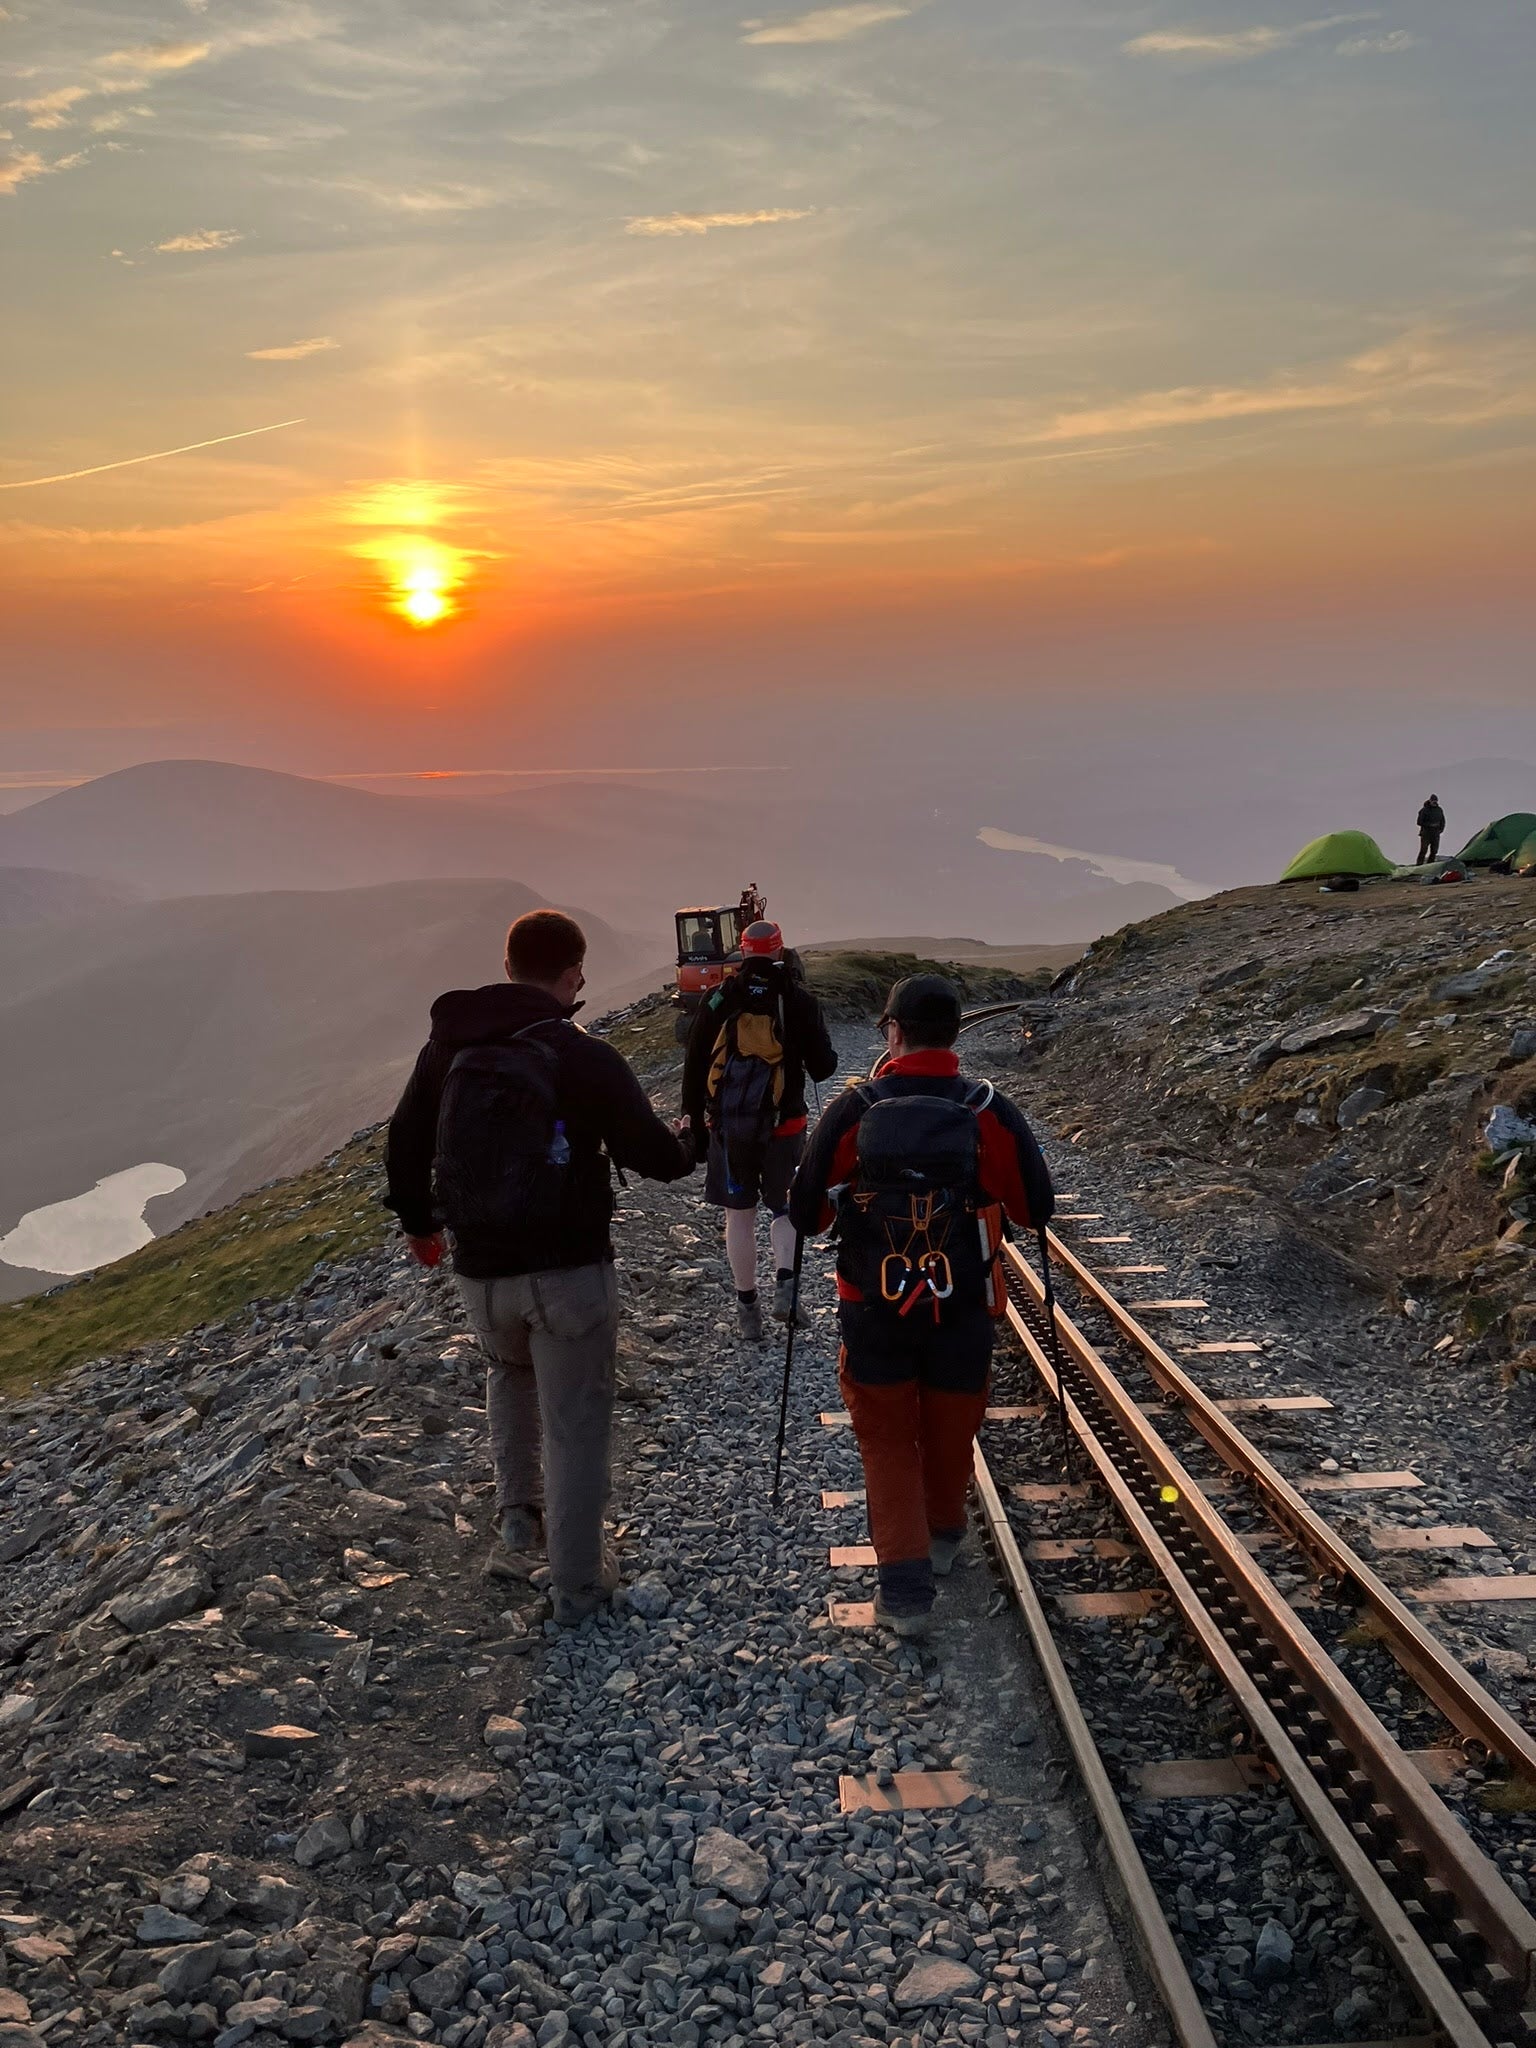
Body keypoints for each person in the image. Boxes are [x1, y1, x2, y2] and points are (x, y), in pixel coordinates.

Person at [385, 908, 695, 1625]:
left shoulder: (449, 1046)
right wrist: (690, 1144)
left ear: (507, 966)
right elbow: (654, 1157)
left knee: (508, 1372)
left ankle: (519, 1518)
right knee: (576, 1420)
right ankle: (579, 1583)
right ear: (571, 973)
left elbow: (405, 1138)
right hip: (568, 1274)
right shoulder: (581, 1054)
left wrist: (419, 1226)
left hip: (480, 1271)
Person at [789, 974, 1053, 1638]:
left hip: (872, 1306)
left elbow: (806, 1213)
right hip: (960, 1303)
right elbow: (1034, 1208)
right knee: (950, 1420)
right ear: (956, 1034)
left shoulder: (855, 1108)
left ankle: (904, 1594)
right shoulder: (988, 1108)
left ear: (894, 1032)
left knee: (885, 1438)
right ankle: (941, 1536)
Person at [682, 920, 837, 1341]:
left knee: (739, 1215)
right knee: (785, 1207)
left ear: (743, 951)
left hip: (728, 1127)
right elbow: (824, 1067)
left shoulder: (720, 998)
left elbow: (696, 1062)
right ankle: (785, 1286)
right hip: (785, 1126)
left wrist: (693, 1121)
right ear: (780, 950)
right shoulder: (798, 999)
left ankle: (747, 1309)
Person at [1417, 794, 1445, 865]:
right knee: (1423, 850)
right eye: (1433, 801)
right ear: (1430, 801)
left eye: (1435, 801)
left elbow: (1443, 820)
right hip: (1426, 833)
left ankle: (1430, 864)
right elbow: (1419, 822)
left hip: (1435, 833)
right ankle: (1419, 864)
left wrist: (1441, 829)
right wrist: (1429, 825)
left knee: (1434, 851)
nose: (1434, 802)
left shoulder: (1439, 810)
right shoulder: (1424, 810)